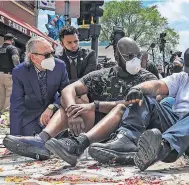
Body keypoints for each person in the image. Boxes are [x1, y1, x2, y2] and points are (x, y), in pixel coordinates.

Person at [3, 37, 157, 165]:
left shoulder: (147, 79)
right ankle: (42, 140)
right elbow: (68, 89)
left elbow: (140, 105)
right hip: (97, 127)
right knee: (74, 103)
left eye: (137, 56)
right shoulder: (102, 75)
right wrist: (72, 111)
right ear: (117, 57)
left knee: (108, 108)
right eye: (129, 56)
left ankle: (77, 144)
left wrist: (95, 105)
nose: (135, 60)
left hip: (126, 131)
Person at [89, 45, 189, 170]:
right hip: (177, 124)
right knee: (145, 98)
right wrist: (139, 89)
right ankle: (127, 139)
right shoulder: (182, 77)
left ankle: (163, 147)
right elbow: (158, 85)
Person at [3, 37, 69, 156]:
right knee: (27, 143)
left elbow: (66, 93)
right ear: (33, 57)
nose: (51, 58)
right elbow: (16, 104)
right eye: (46, 54)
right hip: (31, 117)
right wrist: (15, 138)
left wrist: (52, 107)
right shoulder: (19, 72)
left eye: (52, 53)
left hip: (53, 115)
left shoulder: (60, 66)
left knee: (58, 138)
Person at [0, 33, 20, 113]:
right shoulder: (12, 48)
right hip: (8, 75)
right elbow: (16, 60)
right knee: (9, 95)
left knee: (1, 95)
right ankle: (5, 114)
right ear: (11, 40)